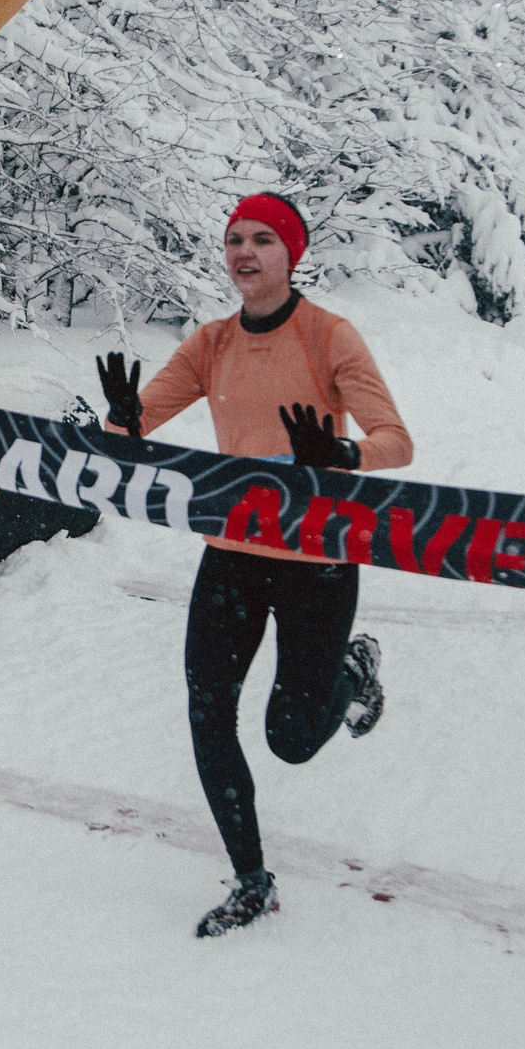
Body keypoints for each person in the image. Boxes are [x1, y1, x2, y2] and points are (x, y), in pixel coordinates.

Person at [96, 193, 413, 938]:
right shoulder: (211, 344)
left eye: (263, 239)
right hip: (233, 552)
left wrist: (342, 455)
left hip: (317, 557)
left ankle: (353, 671)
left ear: (290, 253)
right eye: (235, 238)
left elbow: (396, 440)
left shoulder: (329, 336)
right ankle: (251, 880)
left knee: (291, 739)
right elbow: (137, 426)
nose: (245, 251)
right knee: (208, 714)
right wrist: (121, 415)